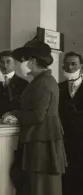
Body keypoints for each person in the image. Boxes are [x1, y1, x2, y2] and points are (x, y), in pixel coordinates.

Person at [3, 40, 66, 195]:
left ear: (33, 60)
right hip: (41, 139)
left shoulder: (43, 83)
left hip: (42, 141)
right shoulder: (41, 81)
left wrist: (15, 114)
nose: (21, 64)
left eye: (23, 60)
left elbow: (38, 115)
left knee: (41, 187)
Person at [58, 52, 83, 195]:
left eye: (73, 63)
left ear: (81, 66)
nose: (69, 67)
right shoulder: (58, 87)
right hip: (65, 141)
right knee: (67, 180)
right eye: (66, 63)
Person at [0, 50, 28, 120]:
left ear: (15, 63)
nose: (5, 65)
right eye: (2, 62)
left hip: (15, 121)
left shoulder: (23, 83)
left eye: (8, 61)